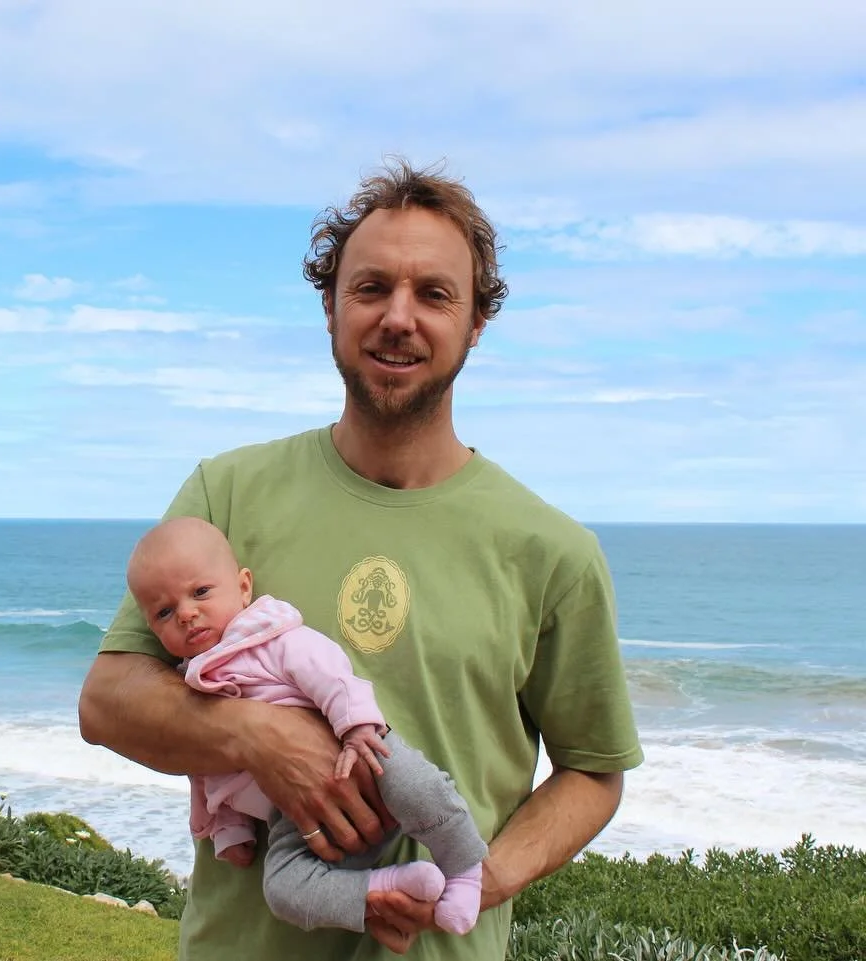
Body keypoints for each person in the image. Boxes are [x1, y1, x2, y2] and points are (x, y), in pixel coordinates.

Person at [77, 158, 644, 961]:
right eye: (371, 288)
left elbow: (594, 771)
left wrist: (480, 880)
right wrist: (259, 738)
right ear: (331, 306)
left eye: (435, 294)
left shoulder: (552, 550)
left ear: (478, 320)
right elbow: (107, 701)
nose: (398, 317)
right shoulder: (227, 492)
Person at [125, 515, 488, 935]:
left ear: (244, 587)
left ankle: (463, 869)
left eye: (201, 592)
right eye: (165, 612)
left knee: (418, 787)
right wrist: (230, 829)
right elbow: (209, 768)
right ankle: (387, 885)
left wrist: (356, 727)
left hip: (357, 749)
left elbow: (331, 673)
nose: (186, 614)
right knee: (281, 889)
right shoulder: (189, 682)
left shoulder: (267, 636)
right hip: (293, 818)